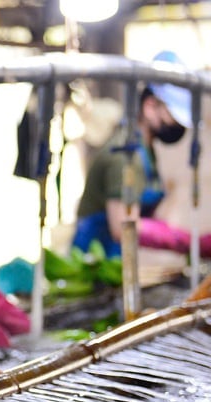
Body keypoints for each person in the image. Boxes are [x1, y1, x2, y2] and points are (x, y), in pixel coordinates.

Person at [72, 51, 193, 258]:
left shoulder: (147, 151)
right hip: (94, 262)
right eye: (173, 116)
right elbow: (122, 228)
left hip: (118, 261)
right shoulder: (125, 155)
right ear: (150, 106)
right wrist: (177, 239)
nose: (177, 126)